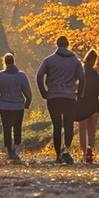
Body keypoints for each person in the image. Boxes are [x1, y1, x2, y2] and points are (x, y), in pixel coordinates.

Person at [36, 35, 85, 164]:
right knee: (69, 124)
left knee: (57, 125)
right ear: (68, 45)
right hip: (69, 97)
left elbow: (39, 76)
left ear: (57, 45)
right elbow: (82, 78)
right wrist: (79, 93)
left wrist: (44, 92)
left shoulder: (49, 60)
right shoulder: (75, 61)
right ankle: (66, 150)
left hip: (53, 96)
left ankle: (58, 154)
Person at [0, 52, 32, 162]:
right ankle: (16, 148)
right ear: (14, 61)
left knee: (6, 128)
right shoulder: (21, 75)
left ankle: (9, 150)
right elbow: (27, 91)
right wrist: (27, 102)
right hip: (18, 106)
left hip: (5, 106)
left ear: (4, 62)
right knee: (17, 127)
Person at [75, 50, 99, 164]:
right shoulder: (97, 75)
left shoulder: (81, 73)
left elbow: (77, 87)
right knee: (92, 130)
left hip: (82, 103)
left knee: (83, 130)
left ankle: (83, 154)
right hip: (94, 103)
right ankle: (90, 150)